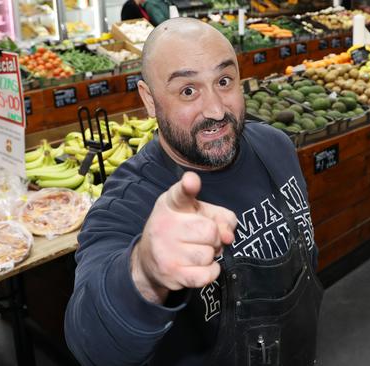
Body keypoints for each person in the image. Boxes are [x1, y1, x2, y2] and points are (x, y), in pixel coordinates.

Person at [65, 17, 323, 366]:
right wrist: (144, 272)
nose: (216, 110)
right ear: (150, 100)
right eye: (188, 90)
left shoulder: (276, 147)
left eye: (224, 81)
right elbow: (91, 344)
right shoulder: (129, 203)